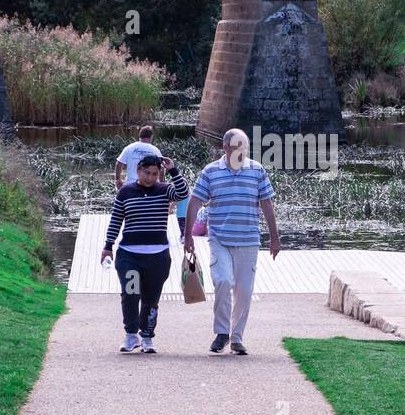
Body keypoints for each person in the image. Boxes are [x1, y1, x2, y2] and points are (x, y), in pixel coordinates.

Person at [184, 129, 280, 355]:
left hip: (248, 240)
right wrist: (188, 235)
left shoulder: (257, 170)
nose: (240, 151)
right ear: (225, 148)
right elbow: (195, 202)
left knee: (244, 291)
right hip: (220, 239)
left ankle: (236, 338)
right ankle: (221, 333)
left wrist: (274, 237)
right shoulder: (210, 171)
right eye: (236, 147)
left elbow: (267, 204)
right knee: (223, 281)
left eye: (244, 147)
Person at [102, 155, 188, 354]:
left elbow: (183, 193)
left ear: (159, 174)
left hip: (157, 257)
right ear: (139, 171)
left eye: (155, 174)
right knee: (131, 294)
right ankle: (131, 335)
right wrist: (108, 246)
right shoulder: (126, 191)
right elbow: (116, 219)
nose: (150, 178)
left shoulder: (164, 190)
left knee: (151, 298)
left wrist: (173, 170)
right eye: (147, 173)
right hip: (129, 255)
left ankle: (147, 336)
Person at [115, 125, 161, 190]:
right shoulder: (155, 150)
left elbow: (119, 163)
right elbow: (161, 169)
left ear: (140, 136)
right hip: (150, 186)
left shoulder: (129, 148)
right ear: (151, 137)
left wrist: (118, 179)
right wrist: (162, 184)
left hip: (131, 186)